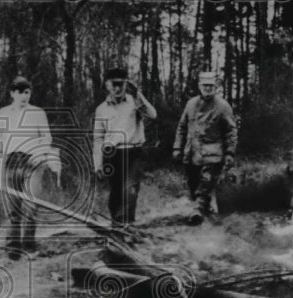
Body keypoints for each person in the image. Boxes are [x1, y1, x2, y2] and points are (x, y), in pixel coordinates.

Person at [0, 76, 56, 260]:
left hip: (32, 163)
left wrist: (40, 155)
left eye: (27, 92)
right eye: (19, 92)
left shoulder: (38, 113)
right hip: (10, 161)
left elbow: (46, 138)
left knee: (31, 205)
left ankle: (29, 245)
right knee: (12, 207)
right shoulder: (3, 113)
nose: (23, 96)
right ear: (12, 93)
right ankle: (13, 249)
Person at [92, 66, 156, 226]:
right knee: (116, 193)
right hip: (112, 155)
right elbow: (98, 138)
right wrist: (97, 164)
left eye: (121, 84)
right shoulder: (101, 109)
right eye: (114, 84)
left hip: (133, 152)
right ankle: (117, 226)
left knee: (130, 190)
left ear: (126, 84)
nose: (118, 88)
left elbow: (153, 115)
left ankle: (127, 225)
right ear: (107, 85)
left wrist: (139, 95)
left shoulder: (135, 103)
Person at [172, 70, 238, 225]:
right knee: (194, 185)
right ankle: (207, 215)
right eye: (205, 85)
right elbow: (182, 127)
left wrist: (230, 152)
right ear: (199, 86)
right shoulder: (191, 104)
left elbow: (231, 130)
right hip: (192, 153)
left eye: (211, 86)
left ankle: (197, 211)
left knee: (205, 183)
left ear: (215, 86)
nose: (208, 89)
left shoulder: (222, 106)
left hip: (213, 153)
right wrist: (177, 148)